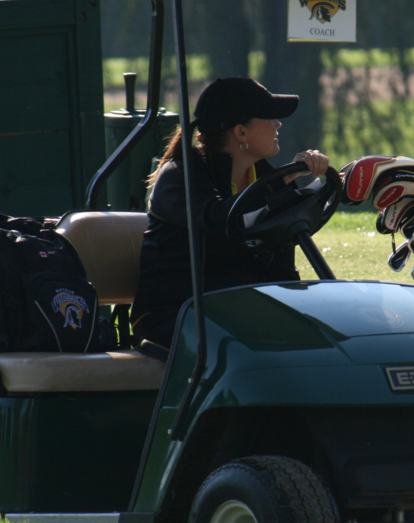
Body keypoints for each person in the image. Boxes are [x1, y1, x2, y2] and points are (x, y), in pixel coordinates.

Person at [131, 77, 329, 350]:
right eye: (270, 118)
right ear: (241, 133)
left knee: (328, 334)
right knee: (249, 344)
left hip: (244, 310)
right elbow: (219, 219)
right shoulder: (181, 175)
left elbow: (283, 265)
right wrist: (282, 180)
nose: (278, 124)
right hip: (179, 314)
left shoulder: (269, 178)